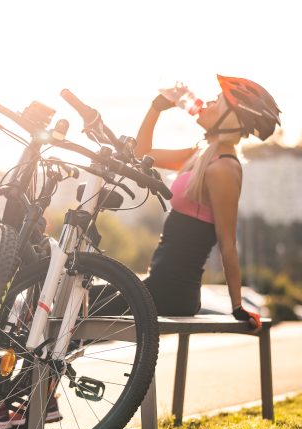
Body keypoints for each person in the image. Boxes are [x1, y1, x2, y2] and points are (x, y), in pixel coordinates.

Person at [93, 75, 281, 333]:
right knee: (77, 294)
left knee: (82, 303)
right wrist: (156, 107)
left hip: (172, 292)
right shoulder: (203, 153)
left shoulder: (224, 167)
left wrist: (237, 306)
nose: (207, 104)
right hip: (159, 284)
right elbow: (140, 154)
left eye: (217, 102)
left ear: (231, 119)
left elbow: (228, 243)